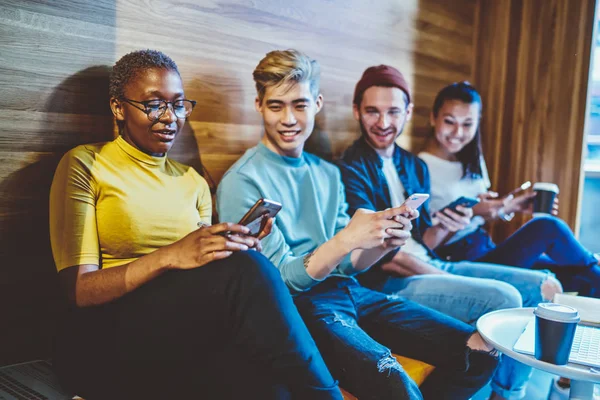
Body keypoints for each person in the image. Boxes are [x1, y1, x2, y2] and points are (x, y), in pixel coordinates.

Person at [49, 49, 343, 400]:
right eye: (154, 104)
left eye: (177, 104)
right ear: (118, 107)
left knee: (271, 389)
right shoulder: (86, 164)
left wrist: (238, 245)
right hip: (105, 334)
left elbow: (205, 278)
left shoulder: (193, 180)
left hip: (176, 329)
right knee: (246, 271)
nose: (170, 117)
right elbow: (79, 290)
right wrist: (171, 255)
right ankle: (328, 395)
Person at [217, 49, 498, 400]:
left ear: (317, 104)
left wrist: (385, 242)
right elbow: (280, 284)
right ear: (259, 105)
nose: (289, 118)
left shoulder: (328, 173)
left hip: (351, 291)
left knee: (483, 349)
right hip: (301, 308)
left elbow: (350, 265)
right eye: (276, 106)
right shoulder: (242, 181)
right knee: (397, 385)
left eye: (300, 105)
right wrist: (347, 238)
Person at [337, 65, 565, 400]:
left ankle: (506, 394)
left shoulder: (414, 165)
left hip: (431, 262)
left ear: (409, 113)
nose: (383, 123)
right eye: (372, 111)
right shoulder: (349, 169)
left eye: (393, 112)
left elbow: (425, 240)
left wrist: (445, 226)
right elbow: (377, 256)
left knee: (542, 287)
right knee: (507, 299)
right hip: (392, 279)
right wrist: (440, 270)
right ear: (357, 111)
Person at [419, 81, 600, 298]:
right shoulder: (420, 167)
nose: (458, 132)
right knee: (547, 227)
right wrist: (476, 210)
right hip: (460, 259)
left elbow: (482, 211)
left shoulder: (470, 160)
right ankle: (593, 261)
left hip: (485, 247)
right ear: (433, 118)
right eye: (449, 121)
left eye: (468, 124)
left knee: (578, 275)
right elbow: (426, 239)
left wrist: (514, 205)